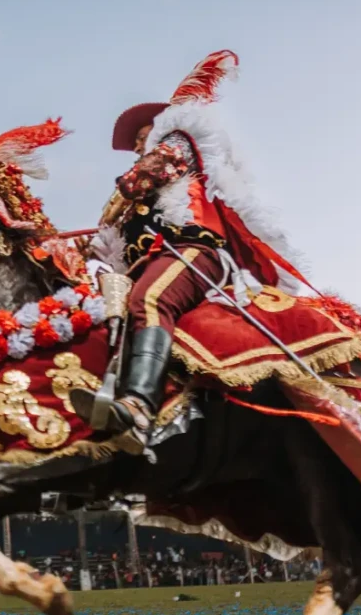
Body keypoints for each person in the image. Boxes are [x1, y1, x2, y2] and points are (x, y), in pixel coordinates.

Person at [74, 50, 312, 453]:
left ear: (162, 125)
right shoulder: (134, 194)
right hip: (149, 262)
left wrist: (120, 196)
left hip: (193, 251)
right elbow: (110, 238)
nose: (136, 145)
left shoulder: (178, 145)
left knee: (149, 301)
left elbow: (142, 177)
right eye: (134, 141)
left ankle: (138, 408)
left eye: (140, 135)